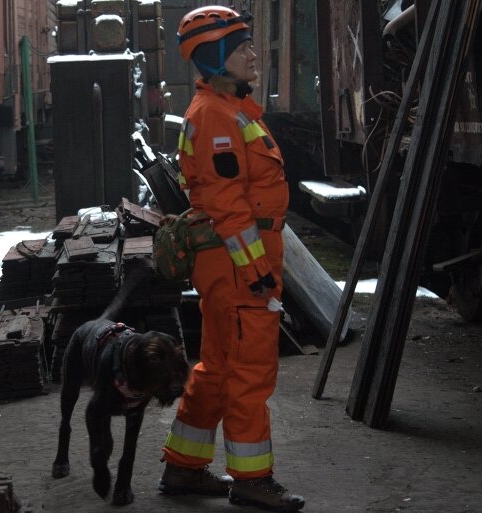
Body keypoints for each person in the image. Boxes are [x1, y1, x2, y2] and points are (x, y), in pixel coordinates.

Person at [157, 6, 305, 512]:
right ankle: (252, 480)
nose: (253, 54)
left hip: (226, 261)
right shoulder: (218, 117)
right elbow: (228, 207)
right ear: (217, 56)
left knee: (219, 366)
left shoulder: (228, 110)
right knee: (249, 371)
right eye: (242, 47)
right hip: (239, 261)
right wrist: (259, 270)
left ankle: (183, 467)